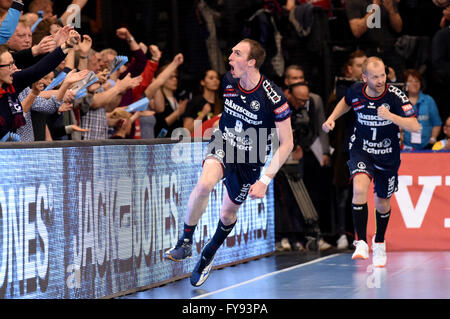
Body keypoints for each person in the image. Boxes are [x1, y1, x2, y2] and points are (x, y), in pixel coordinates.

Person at [164, 38, 294, 286]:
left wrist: (265, 179)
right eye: (232, 52)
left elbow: (287, 143)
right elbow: (230, 113)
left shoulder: (273, 97)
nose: (230, 58)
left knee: (227, 213)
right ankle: (185, 242)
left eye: (237, 54)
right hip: (225, 142)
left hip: (252, 155)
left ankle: (209, 253)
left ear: (251, 62)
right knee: (204, 185)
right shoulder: (229, 81)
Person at [322, 57, 420, 267]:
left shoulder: (395, 96)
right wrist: (332, 117)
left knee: (382, 203)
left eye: (383, 75)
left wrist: (391, 116)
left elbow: (415, 126)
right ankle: (361, 242)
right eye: (375, 76)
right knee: (359, 189)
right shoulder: (356, 91)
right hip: (362, 149)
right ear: (364, 77)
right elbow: (346, 103)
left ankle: (380, 242)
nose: (380, 80)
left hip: (387, 154)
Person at [402, 69, 442, 150]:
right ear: (405, 84)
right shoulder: (400, 101)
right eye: (411, 81)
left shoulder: (428, 100)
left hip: (426, 146)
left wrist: (433, 138)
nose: (414, 84)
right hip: (406, 147)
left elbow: (436, 123)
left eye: (417, 81)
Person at [183, 69, 222, 136]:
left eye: (217, 78)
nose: (215, 80)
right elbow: (187, 131)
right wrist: (203, 114)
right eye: (211, 78)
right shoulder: (194, 103)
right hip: (198, 142)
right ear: (202, 82)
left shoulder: (222, 103)